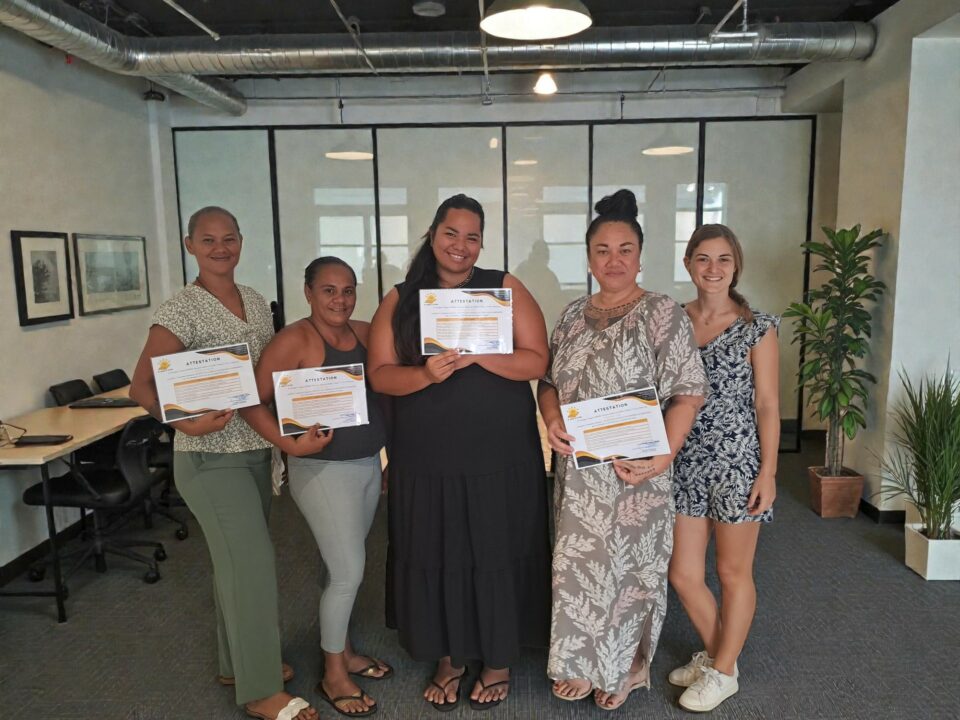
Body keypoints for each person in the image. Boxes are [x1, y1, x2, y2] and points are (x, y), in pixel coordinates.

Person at [130, 206, 322, 720]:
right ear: (189, 244)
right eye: (208, 239)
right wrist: (184, 424)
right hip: (209, 459)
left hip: (255, 452)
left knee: (235, 566)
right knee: (252, 565)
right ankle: (260, 690)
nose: (220, 248)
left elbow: (266, 377)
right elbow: (141, 386)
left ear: (241, 241)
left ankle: (236, 663)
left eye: (229, 238)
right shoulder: (180, 311)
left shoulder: (255, 301)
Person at [367, 194, 552, 712]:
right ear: (433, 235)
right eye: (451, 233)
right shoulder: (402, 298)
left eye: (473, 237)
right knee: (438, 549)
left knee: (496, 548)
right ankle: (448, 656)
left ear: (482, 243)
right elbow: (379, 374)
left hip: (500, 452)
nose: (461, 245)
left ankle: (497, 658)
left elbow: (537, 361)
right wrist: (426, 374)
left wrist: (481, 355)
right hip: (427, 456)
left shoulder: (503, 286)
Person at [538, 189, 708, 711]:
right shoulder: (570, 315)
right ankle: (581, 661)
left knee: (632, 571)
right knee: (580, 568)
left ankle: (629, 666)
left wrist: (664, 456)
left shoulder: (662, 313)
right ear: (589, 259)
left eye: (625, 249)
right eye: (603, 250)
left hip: (640, 468)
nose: (614, 260)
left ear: (640, 256)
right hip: (580, 471)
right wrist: (551, 418)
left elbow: (688, 392)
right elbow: (547, 383)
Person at [241, 256, 392, 717]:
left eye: (347, 290)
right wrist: (289, 445)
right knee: (348, 571)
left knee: (339, 564)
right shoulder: (294, 340)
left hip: (367, 464)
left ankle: (343, 649)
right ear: (307, 292)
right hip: (323, 472)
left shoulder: (365, 332)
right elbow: (250, 400)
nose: (340, 300)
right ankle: (333, 673)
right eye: (328, 290)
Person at [667, 224, 780, 713]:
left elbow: (768, 405)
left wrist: (768, 472)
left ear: (736, 267)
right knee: (683, 573)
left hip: (738, 462)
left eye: (723, 259)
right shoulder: (672, 320)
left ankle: (723, 669)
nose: (713, 269)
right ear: (689, 264)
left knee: (732, 572)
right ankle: (722, 662)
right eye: (703, 259)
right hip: (684, 459)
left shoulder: (758, 326)